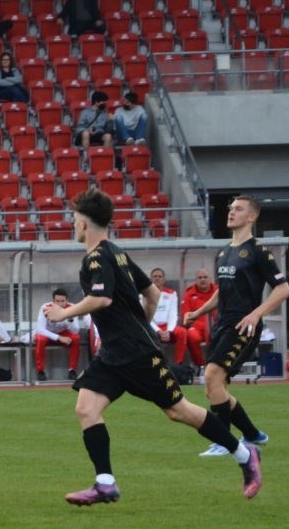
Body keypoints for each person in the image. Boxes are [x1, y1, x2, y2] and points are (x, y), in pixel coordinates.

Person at [47, 188, 261, 505]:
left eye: (75, 218)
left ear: (84, 223)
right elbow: (153, 295)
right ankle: (105, 483)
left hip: (136, 353)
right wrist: (142, 324)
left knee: (178, 411)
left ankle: (245, 455)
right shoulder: (116, 252)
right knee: (86, 408)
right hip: (114, 354)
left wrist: (64, 312)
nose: (73, 223)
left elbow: (102, 298)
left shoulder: (97, 258)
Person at [181, 195, 289, 458]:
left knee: (212, 377)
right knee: (213, 387)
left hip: (243, 325)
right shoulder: (224, 251)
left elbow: (283, 289)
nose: (231, 212)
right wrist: (198, 311)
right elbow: (223, 292)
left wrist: (255, 315)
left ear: (251, 217)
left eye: (238, 209)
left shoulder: (258, 250)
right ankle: (252, 434)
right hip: (223, 324)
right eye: (230, 209)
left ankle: (224, 440)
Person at [34, 288, 89, 381]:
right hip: (48, 333)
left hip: (63, 332)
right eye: (57, 301)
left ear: (67, 300)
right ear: (53, 301)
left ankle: (72, 370)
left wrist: (70, 319)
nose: (60, 304)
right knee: (40, 339)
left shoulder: (72, 307)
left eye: (62, 301)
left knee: (76, 338)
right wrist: (59, 337)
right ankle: (40, 371)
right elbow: (40, 329)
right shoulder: (45, 307)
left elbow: (75, 330)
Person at [176, 268, 215, 368]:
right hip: (197, 327)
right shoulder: (189, 294)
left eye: (205, 277)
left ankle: (219, 364)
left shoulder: (217, 292)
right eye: (200, 277)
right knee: (192, 335)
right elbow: (186, 317)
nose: (203, 280)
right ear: (196, 280)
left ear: (210, 279)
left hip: (216, 325)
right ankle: (201, 365)